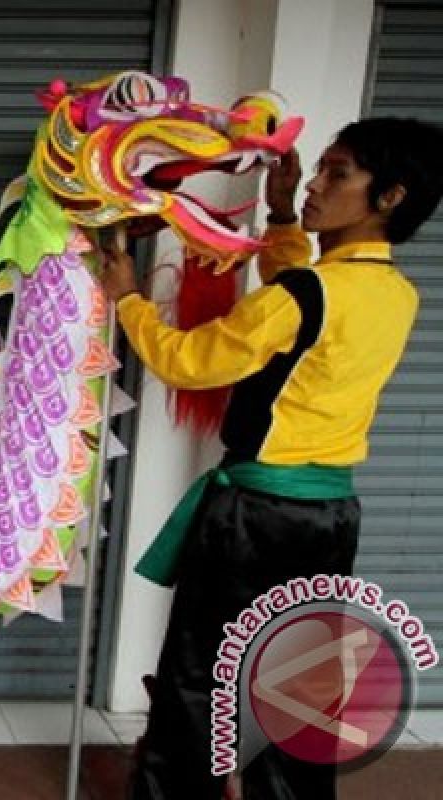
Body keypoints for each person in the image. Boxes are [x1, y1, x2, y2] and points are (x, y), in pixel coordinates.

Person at [99, 116, 443, 799]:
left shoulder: (302, 296)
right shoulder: (395, 295)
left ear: (390, 197)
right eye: (317, 170)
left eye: (337, 173)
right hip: (330, 516)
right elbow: (306, 296)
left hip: (254, 518)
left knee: (199, 678)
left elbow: (188, 362)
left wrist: (129, 299)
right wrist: (283, 213)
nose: (315, 184)